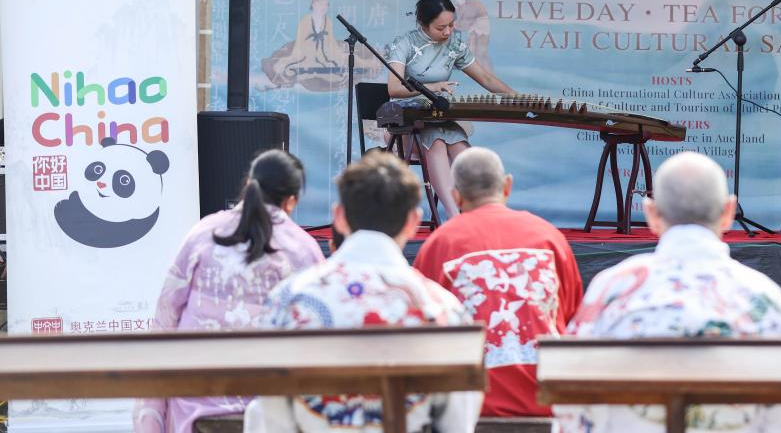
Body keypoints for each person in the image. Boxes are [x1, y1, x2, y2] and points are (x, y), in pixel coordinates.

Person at [554, 152, 781, 433]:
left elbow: (571, 398)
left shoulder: (612, 288)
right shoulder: (765, 296)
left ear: (651, 213)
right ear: (729, 211)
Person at [243, 151, 482, 433]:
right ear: (413, 221)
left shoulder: (288, 300)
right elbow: (458, 424)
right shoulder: (444, 311)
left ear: (339, 217)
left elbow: (271, 417)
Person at [133, 150, 325, 433]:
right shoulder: (303, 248)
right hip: (273, 407)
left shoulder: (203, 233)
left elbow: (166, 314)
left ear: (248, 184)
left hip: (195, 401)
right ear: (292, 201)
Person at [413, 147, 583, 417]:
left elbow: (423, 335)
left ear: (456, 196)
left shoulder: (439, 244)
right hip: (549, 404)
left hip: (471, 412)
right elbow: (573, 321)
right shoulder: (549, 238)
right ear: (507, 185)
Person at [384, 0, 516, 220]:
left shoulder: (454, 45)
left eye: (451, 25)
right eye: (440, 27)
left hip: (439, 119)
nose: (447, 32)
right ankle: (454, 217)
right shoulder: (404, 43)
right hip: (405, 125)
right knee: (435, 142)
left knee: (463, 152)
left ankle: (482, 213)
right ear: (423, 24)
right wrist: (432, 87)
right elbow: (393, 88)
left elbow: (486, 79)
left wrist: (517, 97)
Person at [453, 0, 494, 73]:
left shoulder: (471, 6)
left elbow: (465, 23)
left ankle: (489, 73)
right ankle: (473, 72)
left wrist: (455, 25)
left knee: (481, 53)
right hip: (474, 28)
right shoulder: (461, 6)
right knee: (471, 50)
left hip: (482, 28)